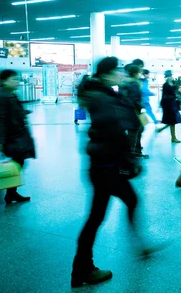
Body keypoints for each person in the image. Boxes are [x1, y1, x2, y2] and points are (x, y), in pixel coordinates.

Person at [71, 57, 153, 287]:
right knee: (96, 217)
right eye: (116, 70)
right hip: (106, 166)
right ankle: (82, 270)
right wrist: (129, 158)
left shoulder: (103, 94)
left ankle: (140, 245)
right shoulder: (103, 97)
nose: (120, 74)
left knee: (131, 200)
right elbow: (114, 131)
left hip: (106, 164)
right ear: (107, 74)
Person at [0, 70, 36, 204]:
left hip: (17, 135)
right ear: (4, 81)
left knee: (18, 162)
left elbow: (13, 113)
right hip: (10, 138)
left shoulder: (11, 95)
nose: (17, 82)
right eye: (13, 79)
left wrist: (23, 112)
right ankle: (9, 192)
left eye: (17, 79)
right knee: (16, 163)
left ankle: (11, 193)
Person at [119, 65, 144, 158]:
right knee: (133, 135)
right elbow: (136, 100)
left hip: (123, 112)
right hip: (133, 113)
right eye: (139, 72)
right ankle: (129, 158)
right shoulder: (134, 84)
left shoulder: (123, 82)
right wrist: (140, 108)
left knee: (127, 135)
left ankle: (127, 155)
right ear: (135, 73)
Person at [158, 70, 181, 143]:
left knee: (173, 121)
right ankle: (173, 137)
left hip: (173, 103)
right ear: (166, 77)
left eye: (170, 75)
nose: (170, 77)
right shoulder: (166, 85)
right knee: (172, 121)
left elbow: (177, 92)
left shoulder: (173, 84)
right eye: (168, 76)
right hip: (168, 104)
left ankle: (171, 136)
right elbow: (166, 95)